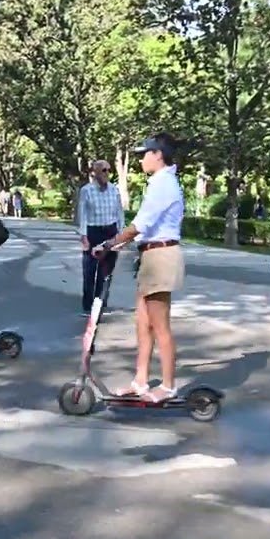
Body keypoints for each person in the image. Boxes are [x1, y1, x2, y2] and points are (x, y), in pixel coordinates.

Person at [90, 133, 185, 403]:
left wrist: (108, 243)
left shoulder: (164, 184)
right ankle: (141, 381)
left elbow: (138, 226)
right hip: (151, 255)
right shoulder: (158, 183)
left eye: (145, 154)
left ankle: (168, 386)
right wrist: (117, 245)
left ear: (158, 155)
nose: (141, 159)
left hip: (161, 257)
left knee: (160, 325)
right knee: (143, 323)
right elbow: (143, 230)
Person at [76, 159, 123, 316]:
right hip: (93, 231)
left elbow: (119, 213)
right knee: (90, 270)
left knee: (106, 270)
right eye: (103, 170)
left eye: (109, 170)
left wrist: (120, 234)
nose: (107, 173)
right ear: (95, 172)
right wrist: (83, 235)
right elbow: (82, 214)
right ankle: (88, 306)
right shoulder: (86, 190)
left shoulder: (114, 190)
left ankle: (100, 302)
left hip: (110, 231)